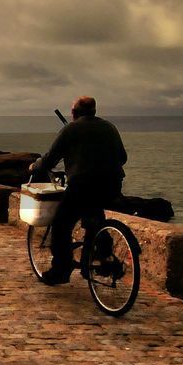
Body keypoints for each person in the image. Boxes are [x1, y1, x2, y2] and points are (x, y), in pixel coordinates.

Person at [28, 96, 127, 285]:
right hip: (112, 185)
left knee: (61, 225)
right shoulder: (109, 127)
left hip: (83, 186)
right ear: (94, 111)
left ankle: (60, 271)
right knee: (94, 217)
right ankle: (94, 258)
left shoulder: (70, 129)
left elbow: (50, 159)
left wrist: (35, 166)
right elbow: (122, 157)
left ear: (74, 113)